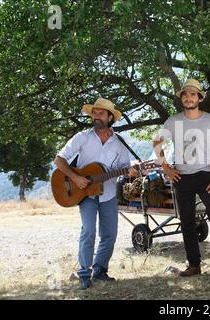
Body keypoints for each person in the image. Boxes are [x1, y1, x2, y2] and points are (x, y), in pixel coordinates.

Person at [54, 98, 138, 290]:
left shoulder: (119, 143)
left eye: (101, 113)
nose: (96, 116)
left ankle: (100, 271)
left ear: (110, 117)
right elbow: (59, 160)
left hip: (108, 194)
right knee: (88, 231)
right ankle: (84, 273)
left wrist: (130, 171)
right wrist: (75, 178)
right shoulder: (82, 137)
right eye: (94, 112)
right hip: (85, 194)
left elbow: (125, 168)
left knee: (109, 235)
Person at [153, 78, 210, 278]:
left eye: (193, 94)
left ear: (199, 98)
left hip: (206, 175)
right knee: (186, 221)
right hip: (182, 177)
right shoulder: (173, 121)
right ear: (182, 99)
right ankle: (194, 264)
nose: (188, 98)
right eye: (185, 94)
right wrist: (166, 168)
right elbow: (156, 141)